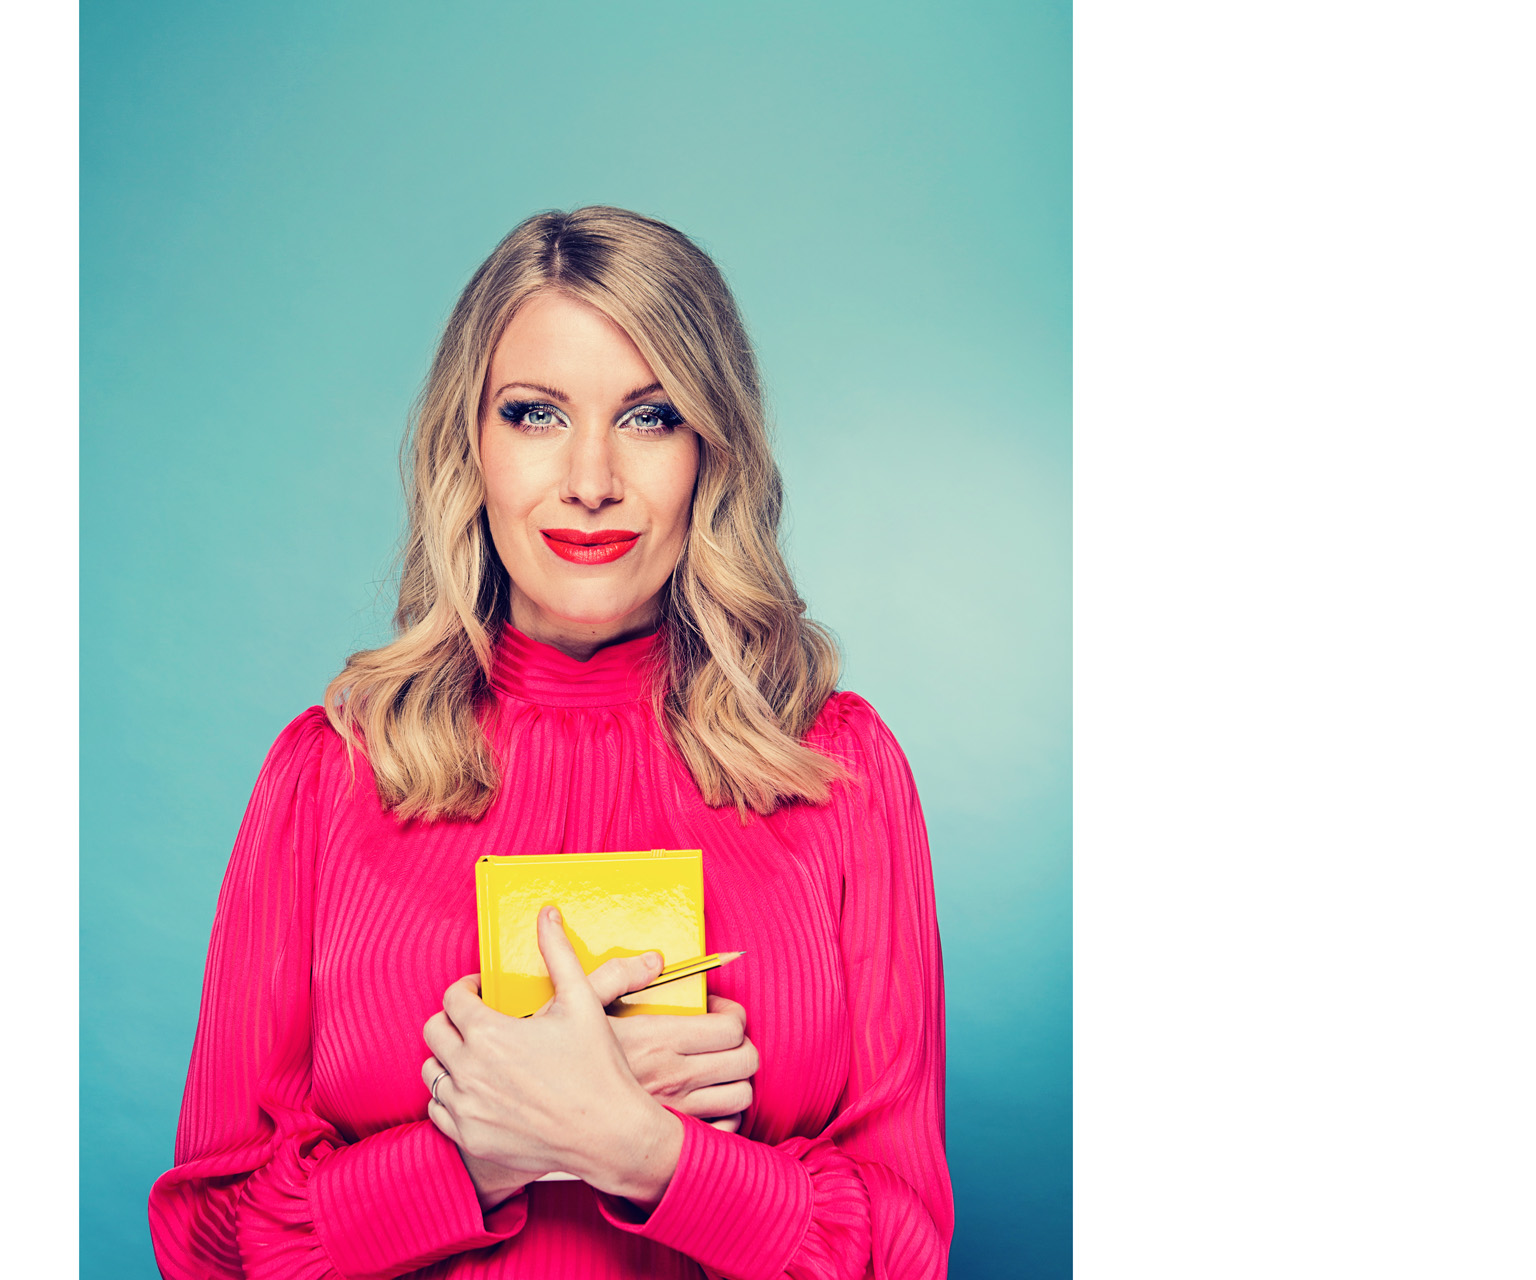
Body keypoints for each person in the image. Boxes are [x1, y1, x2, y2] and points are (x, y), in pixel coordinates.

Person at [148, 206, 953, 1279]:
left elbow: (904, 1254)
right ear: (468, 442)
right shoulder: (329, 772)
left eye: (650, 416)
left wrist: (637, 1146)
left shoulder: (838, 768)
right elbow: (210, 1245)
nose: (589, 480)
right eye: (535, 413)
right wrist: (477, 1151)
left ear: (713, 448)